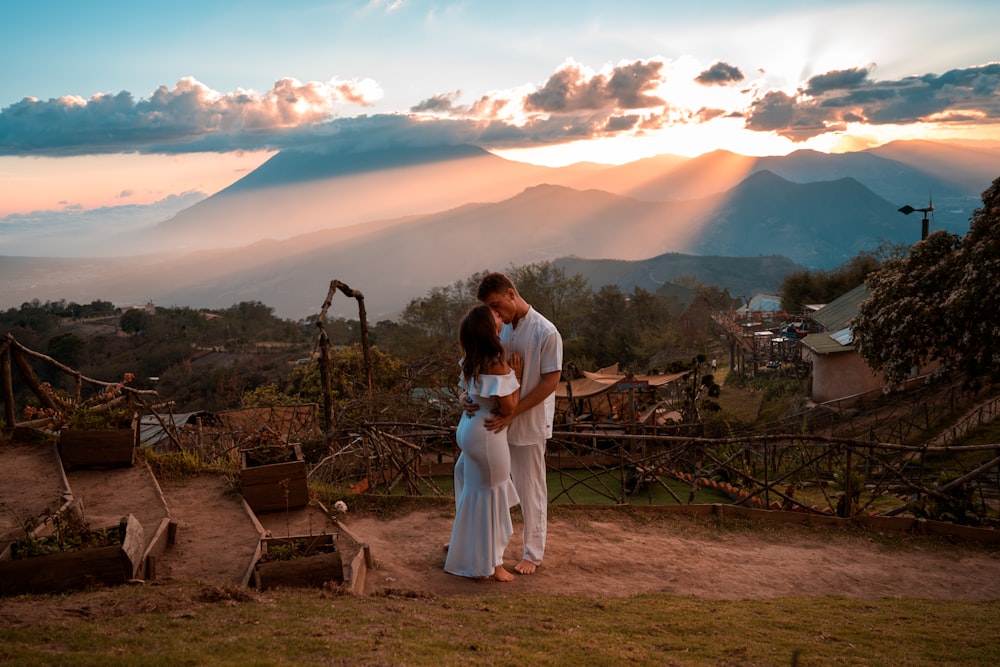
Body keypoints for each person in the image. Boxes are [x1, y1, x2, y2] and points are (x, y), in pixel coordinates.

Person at [471, 271, 563, 575]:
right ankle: (481, 543)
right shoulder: (503, 329)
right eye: (491, 310)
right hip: (497, 424)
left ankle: (532, 554)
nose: (496, 314)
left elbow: (550, 382)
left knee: (530, 488)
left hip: (528, 422)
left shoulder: (546, 332)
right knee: (490, 486)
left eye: (498, 305)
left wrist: (514, 411)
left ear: (512, 293)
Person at [445, 304, 522, 582]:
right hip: (488, 435)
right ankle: (493, 564)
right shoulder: (496, 363)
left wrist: (463, 399)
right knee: (491, 496)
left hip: (468, 430)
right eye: (496, 317)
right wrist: (517, 375)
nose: (501, 318)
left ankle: (467, 550)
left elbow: (467, 393)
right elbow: (507, 407)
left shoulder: (471, 358)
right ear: (489, 330)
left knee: (474, 493)